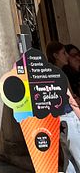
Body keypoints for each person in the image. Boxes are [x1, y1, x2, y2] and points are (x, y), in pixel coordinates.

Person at [46, 41, 80, 173]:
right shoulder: (59, 74)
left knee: (69, 160)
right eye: (63, 53)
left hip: (58, 120)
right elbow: (71, 100)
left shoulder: (48, 73)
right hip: (69, 118)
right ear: (55, 55)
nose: (66, 56)